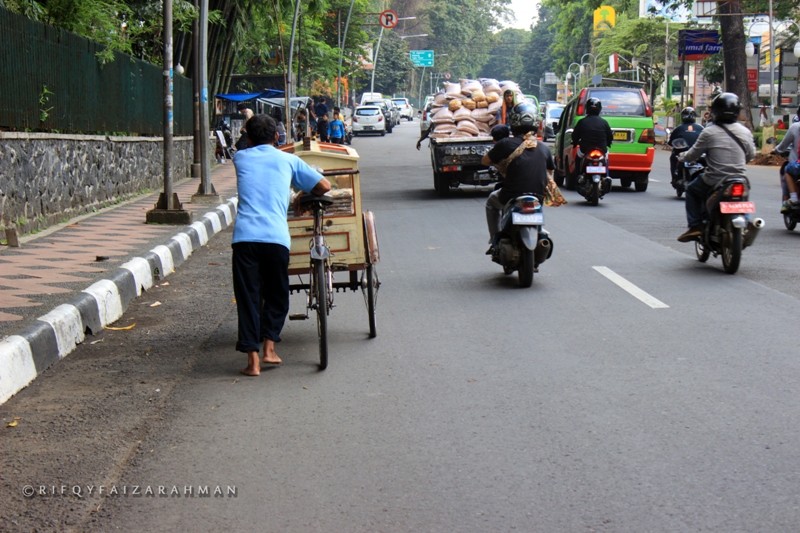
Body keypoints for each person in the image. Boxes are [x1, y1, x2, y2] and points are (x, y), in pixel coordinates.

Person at [232, 114, 331, 376]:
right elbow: (324, 185)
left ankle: (252, 361)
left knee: (249, 297)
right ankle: (269, 349)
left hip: (245, 239)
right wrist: (300, 191)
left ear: (248, 138)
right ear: (277, 137)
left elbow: (249, 145)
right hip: (276, 239)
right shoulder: (288, 160)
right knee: (277, 294)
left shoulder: (240, 157)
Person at [677, 92, 755, 242]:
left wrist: (682, 157)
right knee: (742, 199)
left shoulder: (709, 132)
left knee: (692, 190)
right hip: (740, 179)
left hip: (714, 179)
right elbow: (750, 155)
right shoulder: (745, 131)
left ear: (715, 111)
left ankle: (695, 225)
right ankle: (747, 221)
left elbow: (692, 155)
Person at [481, 101, 553, 251]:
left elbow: (485, 161)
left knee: (491, 203)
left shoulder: (505, 144)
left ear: (513, 122)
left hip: (510, 195)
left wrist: (500, 164)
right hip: (537, 196)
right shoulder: (544, 148)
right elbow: (549, 174)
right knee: (539, 203)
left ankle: (495, 240)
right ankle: (540, 229)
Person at [570, 97, 613, 178]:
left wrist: (575, 143)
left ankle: (578, 176)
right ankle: (607, 175)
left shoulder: (582, 122)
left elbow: (575, 135)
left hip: (585, 149)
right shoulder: (604, 122)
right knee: (606, 158)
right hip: (602, 149)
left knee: (578, 158)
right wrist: (608, 143)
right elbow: (610, 136)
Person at [773, 108, 800, 212]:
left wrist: (775, 150)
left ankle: (790, 199)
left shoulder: (795, 127)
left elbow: (783, 145)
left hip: (797, 164)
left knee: (787, 171)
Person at [668, 107, 704, 183]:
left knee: (673, 157)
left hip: (684, 153)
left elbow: (671, 142)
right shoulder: (701, 128)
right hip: (698, 153)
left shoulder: (678, 128)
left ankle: (674, 178)